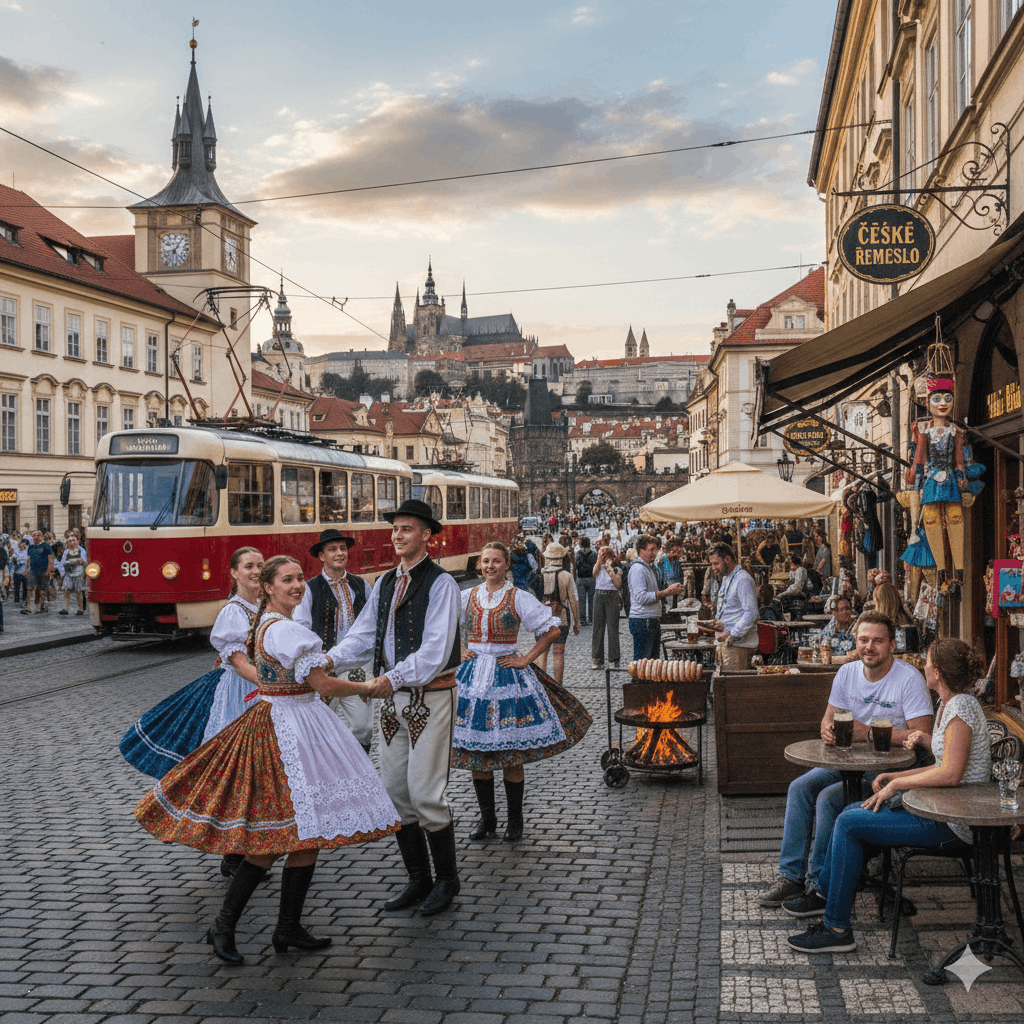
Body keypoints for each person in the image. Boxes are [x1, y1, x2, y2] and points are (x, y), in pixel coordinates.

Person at [134, 556, 399, 965]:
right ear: (269, 588)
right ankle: (223, 924)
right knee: (274, 838)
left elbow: (293, 674)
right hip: (287, 730)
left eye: (299, 579)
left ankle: (288, 927)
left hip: (294, 721)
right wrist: (369, 687)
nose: (297, 585)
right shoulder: (286, 631)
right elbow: (322, 683)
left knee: (306, 834)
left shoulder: (268, 626)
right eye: (287, 580)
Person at [788, 639, 990, 952]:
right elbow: (946, 766)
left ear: (937, 672)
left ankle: (836, 926)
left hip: (952, 821)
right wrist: (895, 775)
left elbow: (950, 774)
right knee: (852, 811)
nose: (924, 665)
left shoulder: (960, 707)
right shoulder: (952, 704)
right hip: (939, 808)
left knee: (849, 822)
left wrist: (897, 785)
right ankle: (827, 898)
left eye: (928, 661)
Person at [325, 498, 463, 917]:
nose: (398, 535)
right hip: (390, 702)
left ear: (426, 535)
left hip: (430, 698)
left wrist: (391, 678)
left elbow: (436, 650)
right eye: (395, 528)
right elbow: (361, 635)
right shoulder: (385, 583)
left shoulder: (442, 584)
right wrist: (328, 660)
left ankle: (447, 881)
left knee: (425, 794)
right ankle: (418, 879)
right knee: (395, 794)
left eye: (407, 528)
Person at [757, 612, 934, 911]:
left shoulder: (908, 679)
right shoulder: (847, 673)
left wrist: (866, 734)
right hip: (845, 762)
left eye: (878, 641)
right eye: (864, 640)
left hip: (889, 772)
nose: (869, 647)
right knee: (800, 787)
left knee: (828, 798)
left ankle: (819, 885)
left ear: (892, 645)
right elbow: (829, 718)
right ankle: (791, 877)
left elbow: (923, 736)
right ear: (856, 642)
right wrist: (826, 728)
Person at [121, 548, 267, 883]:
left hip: (258, 693)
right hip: (239, 695)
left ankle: (245, 848)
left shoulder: (262, 607)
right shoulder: (234, 612)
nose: (255, 571)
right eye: (248, 566)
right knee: (239, 770)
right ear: (233, 573)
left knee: (255, 772)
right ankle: (234, 855)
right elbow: (236, 659)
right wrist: (268, 682)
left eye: (260, 565)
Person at [452, 541, 592, 842]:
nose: (490, 566)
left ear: (506, 565)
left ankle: (514, 821)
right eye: (486, 561)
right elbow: (441, 624)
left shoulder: (517, 597)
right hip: (473, 679)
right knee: (479, 753)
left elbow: (552, 629)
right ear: (480, 565)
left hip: (507, 677)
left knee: (510, 754)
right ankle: (487, 819)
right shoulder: (466, 596)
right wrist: (460, 650)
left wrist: (526, 658)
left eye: (496, 561)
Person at [294, 529, 373, 753]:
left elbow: (370, 624)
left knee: (363, 726)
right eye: (333, 549)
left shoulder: (361, 585)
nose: (340, 553)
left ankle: (359, 769)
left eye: (343, 549)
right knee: (319, 726)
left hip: (355, 667)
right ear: (322, 556)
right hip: (323, 669)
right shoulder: (309, 588)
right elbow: (302, 627)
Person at [627, 535, 682, 661]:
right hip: (643, 620)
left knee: (652, 664)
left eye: (655, 549)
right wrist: (666, 592)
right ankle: (638, 681)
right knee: (643, 664)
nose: (654, 553)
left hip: (651, 619)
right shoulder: (638, 569)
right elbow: (641, 597)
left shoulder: (649, 567)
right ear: (641, 550)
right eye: (651, 549)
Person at [533, 543, 580, 684]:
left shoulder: (539, 574)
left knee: (542, 653)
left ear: (546, 556)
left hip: (541, 620)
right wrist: (577, 621)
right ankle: (558, 686)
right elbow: (573, 599)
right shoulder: (566, 575)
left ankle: (542, 685)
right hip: (561, 619)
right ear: (561, 557)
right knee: (558, 653)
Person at [707, 542, 759, 671]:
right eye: (712, 564)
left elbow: (751, 613)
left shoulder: (742, 580)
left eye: (716, 563)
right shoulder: (727, 578)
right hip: (727, 644)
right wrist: (721, 624)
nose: (713, 568)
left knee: (735, 687)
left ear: (728, 559)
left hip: (739, 646)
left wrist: (732, 633)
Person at [592, 545, 623, 669]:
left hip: (611, 596)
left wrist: (609, 568)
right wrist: (599, 562)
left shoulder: (616, 568)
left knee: (612, 628)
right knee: (597, 628)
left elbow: (618, 584)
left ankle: (614, 658)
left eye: (603, 555)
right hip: (599, 594)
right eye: (599, 554)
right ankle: (597, 659)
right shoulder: (598, 567)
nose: (601, 557)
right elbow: (594, 573)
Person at [22, 530, 54, 615]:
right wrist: (26, 570)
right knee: (30, 589)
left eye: (38, 535)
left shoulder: (45, 546)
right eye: (34, 535)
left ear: (41, 536)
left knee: (42, 591)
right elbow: (29, 559)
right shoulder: (31, 547)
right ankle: (28, 607)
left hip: (43, 571)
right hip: (32, 570)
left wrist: (49, 570)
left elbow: (51, 557)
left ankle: (41, 607)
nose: (36, 537)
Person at [57, 535, 87, 615]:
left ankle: (81, 609)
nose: (72, 543)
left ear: (77, 541)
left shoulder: (81, 551)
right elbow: (63, 562)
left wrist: (79, 561)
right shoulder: (66, 552)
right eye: (69, 541)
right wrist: (74, 561)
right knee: (67, 591)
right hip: (68, 573)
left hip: (78, 573)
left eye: (73, 541)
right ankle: (65, 608)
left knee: (78, 591)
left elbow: (84, 562)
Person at [575, 537, 597, 626]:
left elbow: (576, 565)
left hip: (580, 578)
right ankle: (592, 618)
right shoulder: (594, 554)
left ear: (580, 544)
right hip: (591, 578)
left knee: (581, 600)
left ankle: (582, 619)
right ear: (589, 544)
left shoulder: (577, 554)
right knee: (592, 599)